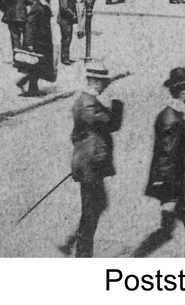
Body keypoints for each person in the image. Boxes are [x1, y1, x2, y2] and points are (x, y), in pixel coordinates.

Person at [133, 67, 185, 257]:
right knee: (176, 231)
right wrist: (169, 194)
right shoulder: (172, 119)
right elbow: (167, 157)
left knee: (179, 230)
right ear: (183, 91)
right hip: (174, 186)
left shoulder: (171, 115)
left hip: (176, 185)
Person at [64, 63, 124, 257]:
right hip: (90, 166)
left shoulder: (88, 101)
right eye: (103, 82)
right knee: (90, 213)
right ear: (95, 81)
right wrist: (116, 101)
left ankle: (79, 250)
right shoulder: (89, 104)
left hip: (89, 163)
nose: (105, 86)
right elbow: (113, 123)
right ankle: (82, 256)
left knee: (95, 208)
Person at [16, 0, 56, 95]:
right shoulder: (38, 6)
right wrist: (28, 43)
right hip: (37, 41)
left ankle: (27, 84)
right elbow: (30, 24)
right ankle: (30, 87)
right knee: (37, 65)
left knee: (40, 65)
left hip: (44, 41)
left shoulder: (44, 6)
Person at [54, 0, 79, 66]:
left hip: (67, 19)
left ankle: (66, 56)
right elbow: (64, 7)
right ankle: (64, 58)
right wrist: (73, 15)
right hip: (65, 19)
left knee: (68, 38)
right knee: (66, 39)